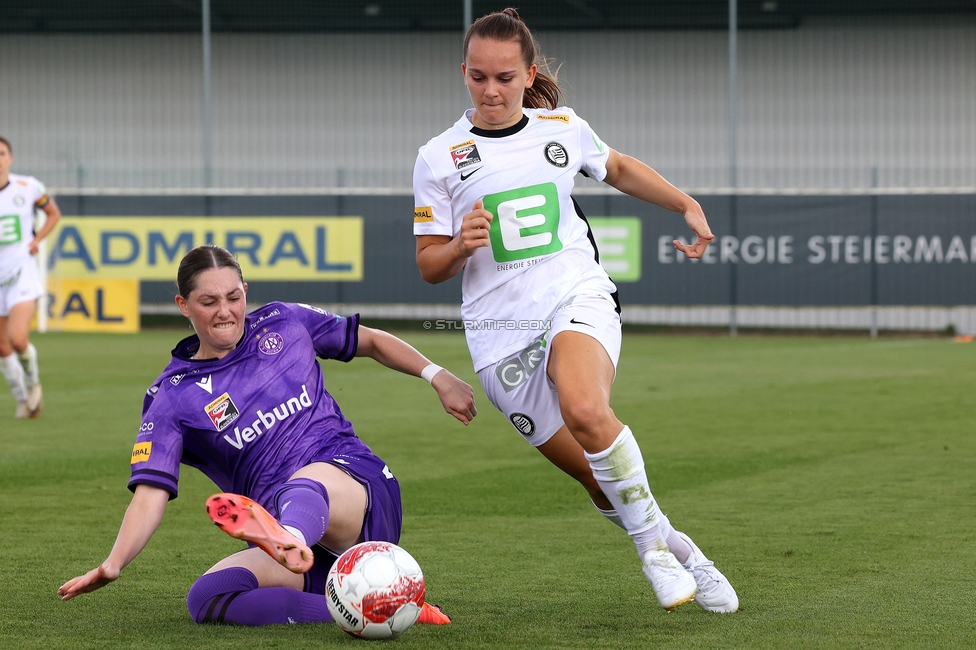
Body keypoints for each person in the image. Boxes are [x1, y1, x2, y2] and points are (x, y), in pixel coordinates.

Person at [413, 9, 737, 613]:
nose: (491, 90)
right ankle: (688, 553)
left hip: (574, 294)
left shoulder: (561, 128)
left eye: (505, 77)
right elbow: (430, 264)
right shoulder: (437, 158)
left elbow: (615, 168)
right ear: (463, 72)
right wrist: (461, 243)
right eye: (479, 76)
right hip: (500, 335)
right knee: (598, 478)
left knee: (587, 409)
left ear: (528, 73)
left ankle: (654, 555)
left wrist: (685, 204)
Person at [59, 244, 476, 627]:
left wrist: (436, 375)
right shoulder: (171, 397)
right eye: (208, 302)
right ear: (183, 305)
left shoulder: (284, 321)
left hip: (357, 491)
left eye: (234, 297)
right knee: (208, 598)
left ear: (245, 291)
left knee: (306, 484)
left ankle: (289, 537)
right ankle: (374, 611)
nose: (225, 311)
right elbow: (150, 492)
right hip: (304, 550)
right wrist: (113, 563)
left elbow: (368, 341)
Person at [0, 136, 60, 419]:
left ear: (10, 158)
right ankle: (25, 400)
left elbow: (52, 213)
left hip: (21, 272)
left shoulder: (28, 186)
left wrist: (37, 239)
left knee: (18, 338)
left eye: (1, 153)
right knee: (2, 346)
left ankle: (34, 384)